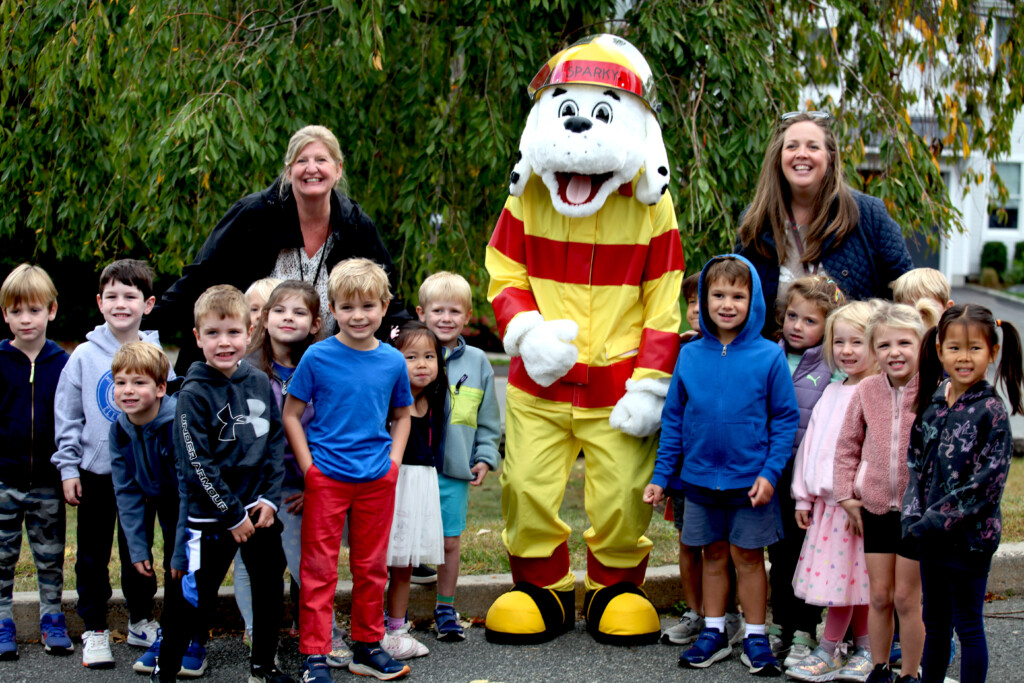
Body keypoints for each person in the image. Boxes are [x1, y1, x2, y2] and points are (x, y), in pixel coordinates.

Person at [644, 255, 799, 677]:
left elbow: (786, 420)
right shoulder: (690, 356)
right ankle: (713, 631)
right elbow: (674, 419)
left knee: (748, 558)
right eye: (718, 295)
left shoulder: (769, 357)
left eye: (738, 295)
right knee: (712, 555)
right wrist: (662, 477)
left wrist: (770, 473)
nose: (727, 303)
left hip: (751, 484)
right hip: (698, 481)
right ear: (703, 300)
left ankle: (754, 635)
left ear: (754, 301)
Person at [148, 125, 407, 375]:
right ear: (288, 170)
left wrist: (421, 338)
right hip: (250, 370)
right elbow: (199, 281)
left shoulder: (355, 226)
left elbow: (387, 299)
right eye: (302, 161)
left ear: (338, 169)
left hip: (330, 372)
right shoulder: (254, 216)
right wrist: (139, 323)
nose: (312, 168)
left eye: (321, 160)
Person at [282, 258, 415, 682]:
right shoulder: (318, 357)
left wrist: (392, 465)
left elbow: (403, 415)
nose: (358, 316)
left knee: (371, 567)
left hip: (376, 479)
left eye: (368, 307)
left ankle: (366, 646)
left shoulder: (393, 361)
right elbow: (291, 414)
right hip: (328, 480)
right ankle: (315, 655)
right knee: (319, 570)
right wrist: (310, 469)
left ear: (384, 306)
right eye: (347, 307)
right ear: (332, 309)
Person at [157, 285, 292, 683]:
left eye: (233, 332)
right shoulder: (192, 393)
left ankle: (263, 666)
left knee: (269, 591)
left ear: (250, 333)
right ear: (197, 338)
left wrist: (268, 499)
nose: (224, 342)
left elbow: (274, 444)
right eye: (213, 334)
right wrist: (232, 516)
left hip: (258, 513)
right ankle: (166, 671)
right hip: (209, 520)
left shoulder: (260, 383)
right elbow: (196, 464)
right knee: (190, 601)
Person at [51, 259, 170, 668]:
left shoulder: (156, 354)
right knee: (92, 553)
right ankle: (95, 629)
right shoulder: (83, 355)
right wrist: (68, 467)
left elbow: (166, 411)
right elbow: (67, 415)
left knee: (137, 549)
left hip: (143, 473)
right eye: (113, 296)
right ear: (100, 303)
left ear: (148, 303)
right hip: (96, 473)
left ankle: (140, 619)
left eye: (131, 296)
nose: (121, 304)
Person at [904, 305, 1022, 683]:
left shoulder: (991, 411)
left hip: (970, 541)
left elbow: (985, 486)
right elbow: (915, 465)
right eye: (954, 348)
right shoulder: (934, 404)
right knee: (934, 624)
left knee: (967, 625)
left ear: (993, 352)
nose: (964, 357)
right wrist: (911, 518)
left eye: (974, 349)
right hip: (930, 541)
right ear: (939, 350)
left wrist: (932, 522)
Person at [239, 280, 351, 666]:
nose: (289, 318)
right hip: (255, 488)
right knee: (250, 564)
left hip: (302, 486)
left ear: (316, 322)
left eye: (299, 312)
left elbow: (331, 426)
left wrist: (314, 484)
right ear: (264, 319)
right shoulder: (246, 369)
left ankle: (323, 633)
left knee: (311, 564)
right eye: (280, 311)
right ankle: (258, 634)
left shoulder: (321, 365)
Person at [737, 111, 913, 338]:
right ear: (779, 156)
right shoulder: (756, 221)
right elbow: (735, 296)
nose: (801, 154)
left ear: (830, 156)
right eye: (791, 147)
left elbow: (909, 293)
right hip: (776, 367)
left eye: (813, 147)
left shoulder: (868, 215)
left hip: (853, 367)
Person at [833, 302, 930, 683]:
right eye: (885, 345)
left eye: (904, 343)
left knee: (907, 599)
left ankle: (910, 672)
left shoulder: (936, 391)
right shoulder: (867, 390)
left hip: (916, 513)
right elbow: (846, 446)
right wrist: (846, 495)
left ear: (922, 346)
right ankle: (878, 667)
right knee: (879, 596)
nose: (895, 352)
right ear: (875, 351)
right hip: (874, 508)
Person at [784, 301, 879, 681]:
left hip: (856, 507)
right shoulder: (833, 390)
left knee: (850, 582)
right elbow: (811, 448)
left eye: (858, 342)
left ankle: (830, 649)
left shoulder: (877, 393)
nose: (847, 350)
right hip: (827, 506)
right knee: (849, 581)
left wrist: (860, 495)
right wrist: (803, 495)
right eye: (840, 342)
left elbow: (874, 452)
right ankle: (862, 648)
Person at [108, 342, 205, 677]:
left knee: (188, 569)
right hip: (164, 500)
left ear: (161, 388)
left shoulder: (176, 424)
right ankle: (172, 635)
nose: (128, 391)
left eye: (139, 382)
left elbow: (189, 488)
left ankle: (194, 640)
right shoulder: (120, 428)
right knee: (173, 569)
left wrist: (179, 550)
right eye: (120, 382)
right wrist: (137, 548)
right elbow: (126, 491)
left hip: (196, 499)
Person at [415, 272, 501, 642]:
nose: (445, 318)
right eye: (438, 310)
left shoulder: (479, 362)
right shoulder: (410, 353)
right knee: (405, 542)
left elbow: (488, 418)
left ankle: (446, 609)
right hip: (412, 468)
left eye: (454, 311)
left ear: (467, 316)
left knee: (450, 541)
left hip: (454, 470)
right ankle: (394, 614)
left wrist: (483, 456)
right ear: (422, 313)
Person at [661, 272, 743, 647]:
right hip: (685, 469)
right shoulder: (681, 350)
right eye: (691, 303)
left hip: (728, 472)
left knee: (727, 546)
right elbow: (672, 414)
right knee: (689, 543)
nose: (696, 310)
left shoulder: (741, 350)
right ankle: (696, 612)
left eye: (700, 301)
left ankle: (729, 612)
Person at [769, 275, 847, 666]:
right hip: (773, 475)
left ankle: (804, 629)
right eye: (793, 316)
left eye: (810, 321)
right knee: (779, 556)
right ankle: (779, 625)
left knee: (808, 556)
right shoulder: (769, 356)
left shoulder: (834, 370)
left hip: (811, 481)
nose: (798, 326)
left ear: (828, 327)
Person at [0, 264, 72, 660]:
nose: (26, 319)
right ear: (5, 315)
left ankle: (52, 618)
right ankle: (2, 622)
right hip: (4, 482)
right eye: (16, 311)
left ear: (52, 310)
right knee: (2, 558)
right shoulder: (0, 360)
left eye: (34, 310)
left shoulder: (63, 363)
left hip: (47, 481)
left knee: (50, 556)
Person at [383, 321, 447, 656]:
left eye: (429, 356)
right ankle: (372, 626)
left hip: (420, 485)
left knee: (404, 563)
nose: (422, 364)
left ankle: (397, 628)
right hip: (390, 484)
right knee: (378, 562)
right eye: (410, 357)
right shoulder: (388, 400)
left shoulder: (435, 400)